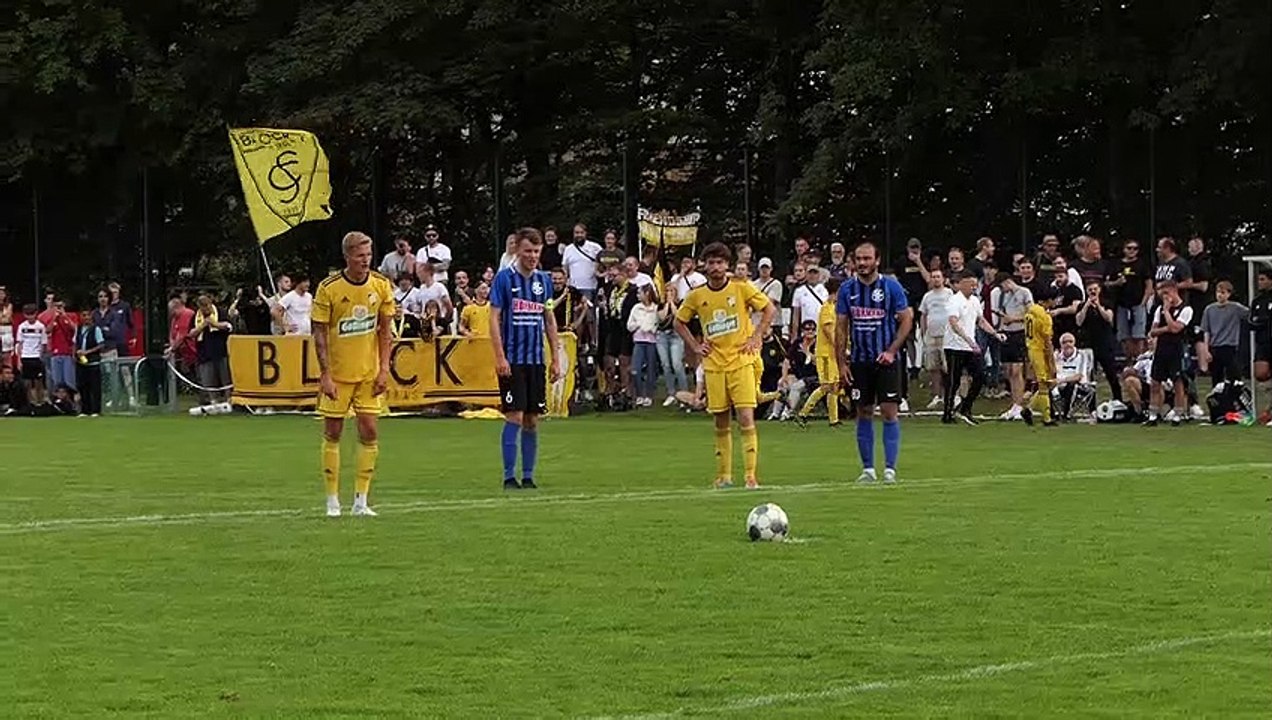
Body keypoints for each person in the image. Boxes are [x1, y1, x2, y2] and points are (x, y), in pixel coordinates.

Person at [674, 242, 776, 490]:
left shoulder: (741, 288)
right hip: (714, 364)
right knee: (720, 419)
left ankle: (750, 476)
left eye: (720, 263)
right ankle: (724, 476)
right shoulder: (697, 295)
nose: (716, 267)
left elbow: (768, 309)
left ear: (727, 265)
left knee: (745, 416)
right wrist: (696, 347)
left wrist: (756, 336)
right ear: (704, 265)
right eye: (711, 263)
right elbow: (679, 322)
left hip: (740, 361)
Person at [313, 231, 396, 517]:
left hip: (368, 375)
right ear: (347, 256)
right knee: (333, 431)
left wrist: (384, 369)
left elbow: (386, 331)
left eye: (369, 255)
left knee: (370, 431)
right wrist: (325, 374)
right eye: (360, 255)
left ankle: (361, 501)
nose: (366, 260)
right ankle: (332, 500)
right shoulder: (329, 288)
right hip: (338, 374)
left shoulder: (381, 285)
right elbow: (319, 333)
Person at [490, 227, 565, 491]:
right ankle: (509, 476)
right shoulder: (503, 279)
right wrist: (500, 356)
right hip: (513, 359)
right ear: (517, 251)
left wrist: (555, 357)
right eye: (527, 251)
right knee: (515, 416)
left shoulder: (543, 281)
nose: (532, 256)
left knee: (532, 418)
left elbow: (549, 318)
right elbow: (494, 318)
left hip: (536, 359)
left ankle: (529, 475)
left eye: (536, 251)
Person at [835, 242, 914, 483]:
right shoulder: (847, 289)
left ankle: (890, 469)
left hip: (886, 361)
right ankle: (868, 469)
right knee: (863, 411)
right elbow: (841, 327)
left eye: (867, 258)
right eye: (858, 258)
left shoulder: (891, 287)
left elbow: (907, 320)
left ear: (877, 260)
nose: (862, 263)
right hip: (859, 361)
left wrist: (891, 351)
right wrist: (842, 363)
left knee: (889, 411)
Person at [942, 271, 1004, 425]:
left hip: (970, 347)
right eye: (971, 284)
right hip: (954, 345)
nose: (974, 288)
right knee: (953, 379)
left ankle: (965, 407)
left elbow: (981, 320)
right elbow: (954, 323)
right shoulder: (954, 301)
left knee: (980, 376)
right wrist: (969, 340)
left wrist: (995, 334)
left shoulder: (975, 301)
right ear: (962, 284)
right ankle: (947, 412)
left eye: (975, 285)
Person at [795, 276, 844, 427]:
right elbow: (829, 332)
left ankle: (833, 419)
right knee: (827, 386)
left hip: (832, 353)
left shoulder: (835, 307)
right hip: (825, 354)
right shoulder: (826, 308)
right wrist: (841, 348)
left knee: (834, 385)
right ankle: (803, 413)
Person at [1144, 280, 1192, 427]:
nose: (1163, 296)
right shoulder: (1159, 310)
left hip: (1177, 349)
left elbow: (1176, 328)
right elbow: (1153, 331)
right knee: (1155, 382)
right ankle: (1152, 415)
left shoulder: (1186, 309)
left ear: (1174, 291)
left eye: (1166, 293)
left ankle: (1178, 415)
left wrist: (1167, 313)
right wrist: (1166, 327)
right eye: (1161, 293)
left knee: (1178, 383)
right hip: (1162, 349)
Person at [990, 274, 1032, 420]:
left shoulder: (1024, 293)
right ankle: (1014, 404)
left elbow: (1030, 313)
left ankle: (1019, 404)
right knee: (1008, 370)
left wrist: (1013, 319)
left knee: (1017, 369)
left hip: (1019, 333)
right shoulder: (1003, 296)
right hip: (1006, 332)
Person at [1075, 280, 1122, 402]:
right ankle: (1091, 406)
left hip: (1105, 343)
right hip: (1089, 344)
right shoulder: (1081, 305)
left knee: (1111, 373)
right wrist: (1086, 306)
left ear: (1099, 290)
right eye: (1090, 289)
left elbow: (1109, 318)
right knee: (1089, 376)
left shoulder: (1107, 303)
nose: (1093, 291)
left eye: (1095, 289)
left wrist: (1099, 306)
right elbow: (1078, 321)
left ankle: (1118, 399)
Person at [1108, 239, 1154, 360]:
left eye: (1135, 248)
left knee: (1139, 335)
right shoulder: (1116, 265)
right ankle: (1128, 360)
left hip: (1138, 303)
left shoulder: (1142, 264)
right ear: (1124, 249)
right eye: (1129, 248)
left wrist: (1144, 302)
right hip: (1122, 304)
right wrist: (1116, 283)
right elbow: (1106, 283)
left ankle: (1139, 360)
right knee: (1124, 335)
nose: (1132, 251)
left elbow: (1149, 284)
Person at [1021, 287, 1059, 426]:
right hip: (1039, 351)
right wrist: (1052, 362)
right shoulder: (1044, 316)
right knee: (1045, 383)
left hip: (1031, 349)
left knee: (1045, 384)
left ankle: (1029, 409)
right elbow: (1047, 341)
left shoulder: (1030, 311)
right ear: (1049, 300)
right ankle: (1047, 417)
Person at [1200, 280, 1248, 386]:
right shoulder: (1209, 309)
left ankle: (1233, 395)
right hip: (1215, 346)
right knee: (1216, 377)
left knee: (1233, 375)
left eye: (1223, 293)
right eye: (1218, 292)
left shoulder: (1235, 308)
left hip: (1230, 346)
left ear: (1228, 294)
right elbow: (1206, 331)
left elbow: (1249, 313)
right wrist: (1206, 350)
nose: (1220, 295)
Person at [918, 269, 953, 409]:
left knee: (948, 367)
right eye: (933, 277)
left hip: (947, 336)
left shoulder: (950, 294)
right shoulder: (927, 296)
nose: (936, 279)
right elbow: (923, 315)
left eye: (938, 276)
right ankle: (936, 396)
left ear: (943, 279)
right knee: (933, 367)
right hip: (931, 335)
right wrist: (923, 332)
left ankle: (950, 395)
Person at [191, 294, 233, 405]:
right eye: (203, 307)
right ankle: (213, 400)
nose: (206, 309)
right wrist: (203, 325)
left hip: (221, 350)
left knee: (225, 377)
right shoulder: (196, 316)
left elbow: (228, 326)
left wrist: (214, 324)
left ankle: (229, 400)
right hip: (204, 352)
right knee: (208, 379)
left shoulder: (220, 312)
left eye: (207, 306)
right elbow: (191, 333)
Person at [627, 284, 661, 407]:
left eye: (639, 293)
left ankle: (649, 395)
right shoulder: (636, 308)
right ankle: (640, 394)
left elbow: (657, 325)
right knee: (635, 369)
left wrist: (651, 328)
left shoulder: (656, 308)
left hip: (651, 342)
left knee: (651, 370)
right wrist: (639, 326)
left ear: (647, 294)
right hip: (639, 341)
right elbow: (629, 325)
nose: (637, 296)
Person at [655, 284, 688, 407]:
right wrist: (667, 304)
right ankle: (671, 393)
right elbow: (662, 318)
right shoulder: (660, 305)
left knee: (677, 364)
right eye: (667, 290)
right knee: (666, 365)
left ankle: (684, 395)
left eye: (672, 291)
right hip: (662, 335)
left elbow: (678, 316)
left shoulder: (681, 303)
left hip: (676, 336)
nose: (669, 293)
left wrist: (672, 303)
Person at [1052, 332, 1095, 421]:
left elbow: (1079, 376)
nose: (1068, 344)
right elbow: (1052, 373)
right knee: (1046, 385)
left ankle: (1066, 414)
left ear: (1074, 343)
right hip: (1059, 386)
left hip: (1079, 386)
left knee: (1072, 385)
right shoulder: (1056, 356)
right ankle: (1051, 415)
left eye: (1070, 342)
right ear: (1060, 345)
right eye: (1064, 342)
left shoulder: (1081, 355)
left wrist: (1062, 380)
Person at [74, 308, 106, 416]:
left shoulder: (96, 329)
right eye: (83, 315)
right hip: (81, 362)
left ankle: (96, 410)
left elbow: (101, 344)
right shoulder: (78, 329)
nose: (86, 318)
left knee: (95, 387)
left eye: (88, 315)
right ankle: (85, 410)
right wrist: (75, 353)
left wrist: (88, 352)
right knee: (83, 387)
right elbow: (75, 342)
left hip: (93, 362)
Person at [561, 223, 602, 300]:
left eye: (581, 232)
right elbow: (564, 268)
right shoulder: (568, 249)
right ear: (573, 234)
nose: (579, 235)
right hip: (573, 287)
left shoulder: (595, 247)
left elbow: (603, 263)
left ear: (585, 233)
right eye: (577, 233)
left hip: (591, 286)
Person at [17, 304, 47, 405]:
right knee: (27, 382)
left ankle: (40, 402)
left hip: (36, 357)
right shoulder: (22, 326)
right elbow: (20, 344)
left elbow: (43, 343)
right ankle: (29, 403)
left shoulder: (41, 326)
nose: (30, 317)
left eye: (32, 314)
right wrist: (19, 360)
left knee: (39, 381)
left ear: (36, 314)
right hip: (26, 356)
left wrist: (41, 357)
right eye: (27, 314)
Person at [45, 299, 77, 395]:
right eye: (56, 306)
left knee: (68, 380)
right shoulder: (52, 319)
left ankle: (71, 399)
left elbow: (74, 329)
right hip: (55, 353)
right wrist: (55, 317)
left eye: (60, 306)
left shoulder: (69, 317)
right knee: (57, 380)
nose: (59, 308)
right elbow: (48, 330)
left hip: (67, 352)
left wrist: (64, 315)